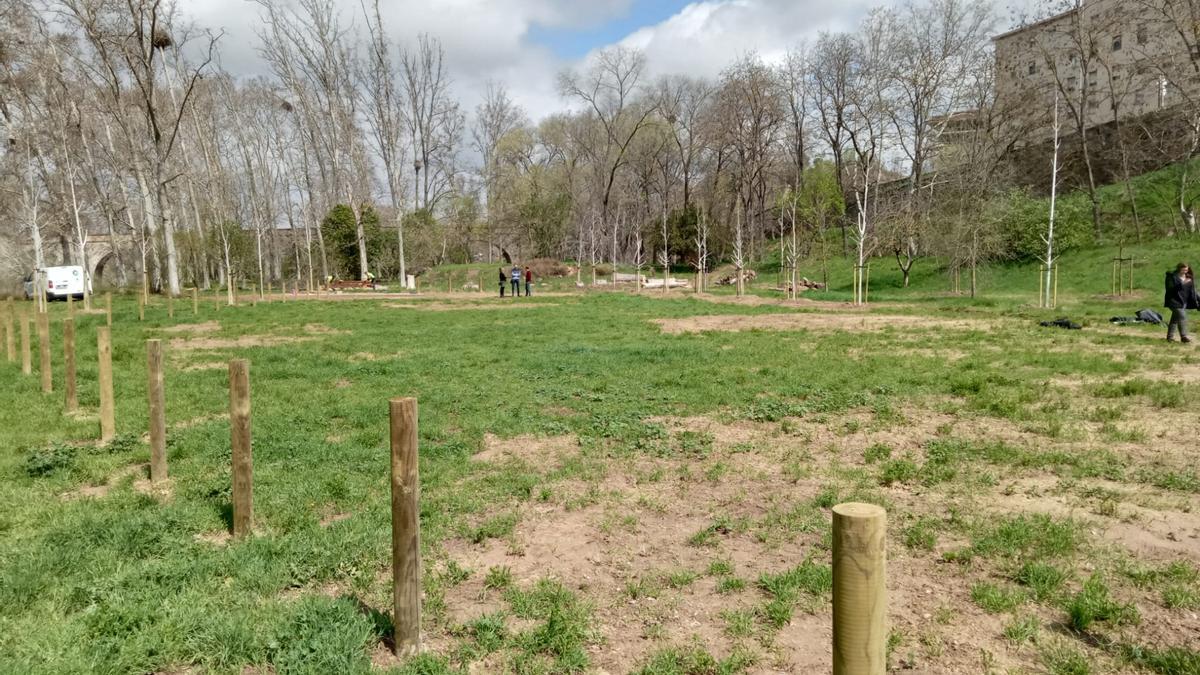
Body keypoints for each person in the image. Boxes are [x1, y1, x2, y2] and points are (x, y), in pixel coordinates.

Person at [1164, 262, 1199, 343]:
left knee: (1175, 320)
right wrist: (1182, 283)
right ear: (1179, 268)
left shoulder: (1189, 278)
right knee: (1182, 316)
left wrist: (1197, 300)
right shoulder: (1171, 277)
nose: (1185, 271)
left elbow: (1193, 291)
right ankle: (1184, 337)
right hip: (1173, 301)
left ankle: (1170, 337)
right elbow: (1170, 289)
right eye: (1183, 269)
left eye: (1186, 269)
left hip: (1183, 302)